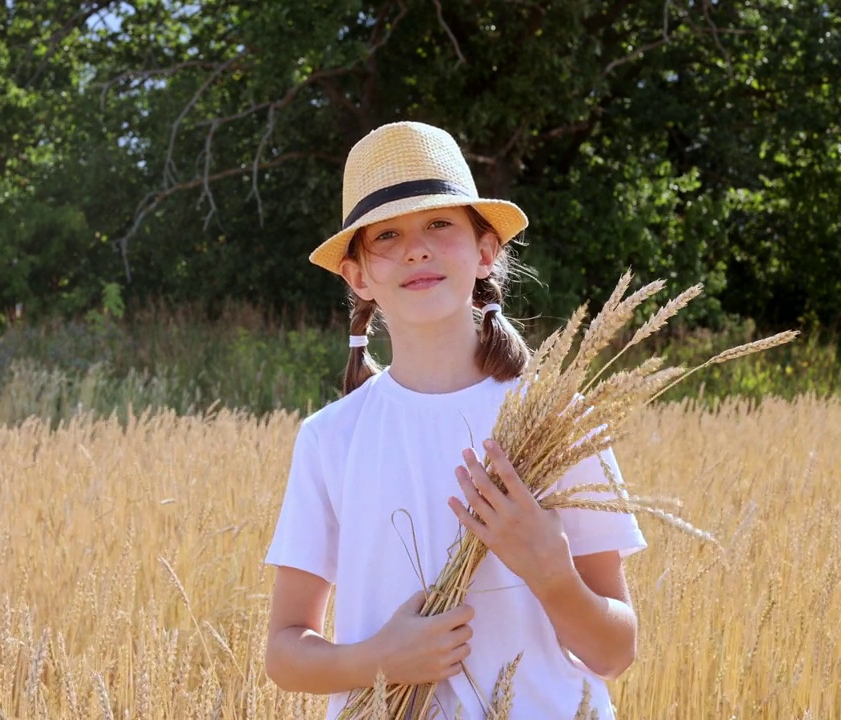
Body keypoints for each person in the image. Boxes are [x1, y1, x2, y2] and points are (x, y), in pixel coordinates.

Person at [262, 121, 646, 719]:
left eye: (440, 223)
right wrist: (382, 659)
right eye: (387, 234)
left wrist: (552, 574)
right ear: (358, 276)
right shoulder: (330, 439)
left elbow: (615, 651)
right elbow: (285, 651)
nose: (417, 248)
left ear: (486, 251)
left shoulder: (556, 420)